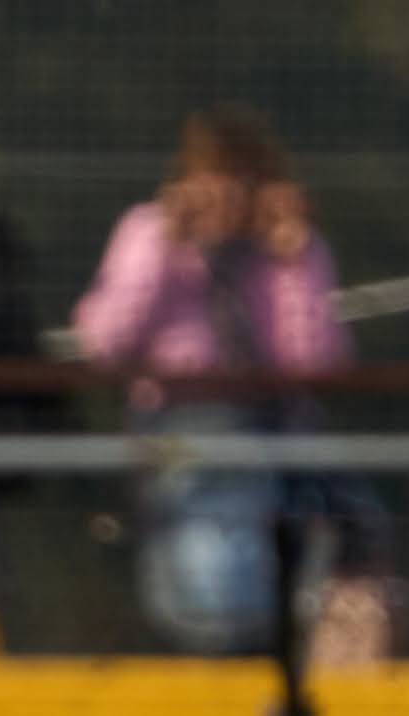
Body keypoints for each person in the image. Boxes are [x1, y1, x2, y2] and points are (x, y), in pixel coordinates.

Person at [70, 106, 350, 654]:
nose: (227, 194)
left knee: (350, 520)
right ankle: (218, 638)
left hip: (278, 435)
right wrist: (164, 248)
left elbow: (315, 362)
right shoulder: (148, 233)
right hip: (180, 432)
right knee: (209, 540)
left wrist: (296, 264)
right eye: (214, 176)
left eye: (243, 179)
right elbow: (106, 342)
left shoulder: (283, 252)